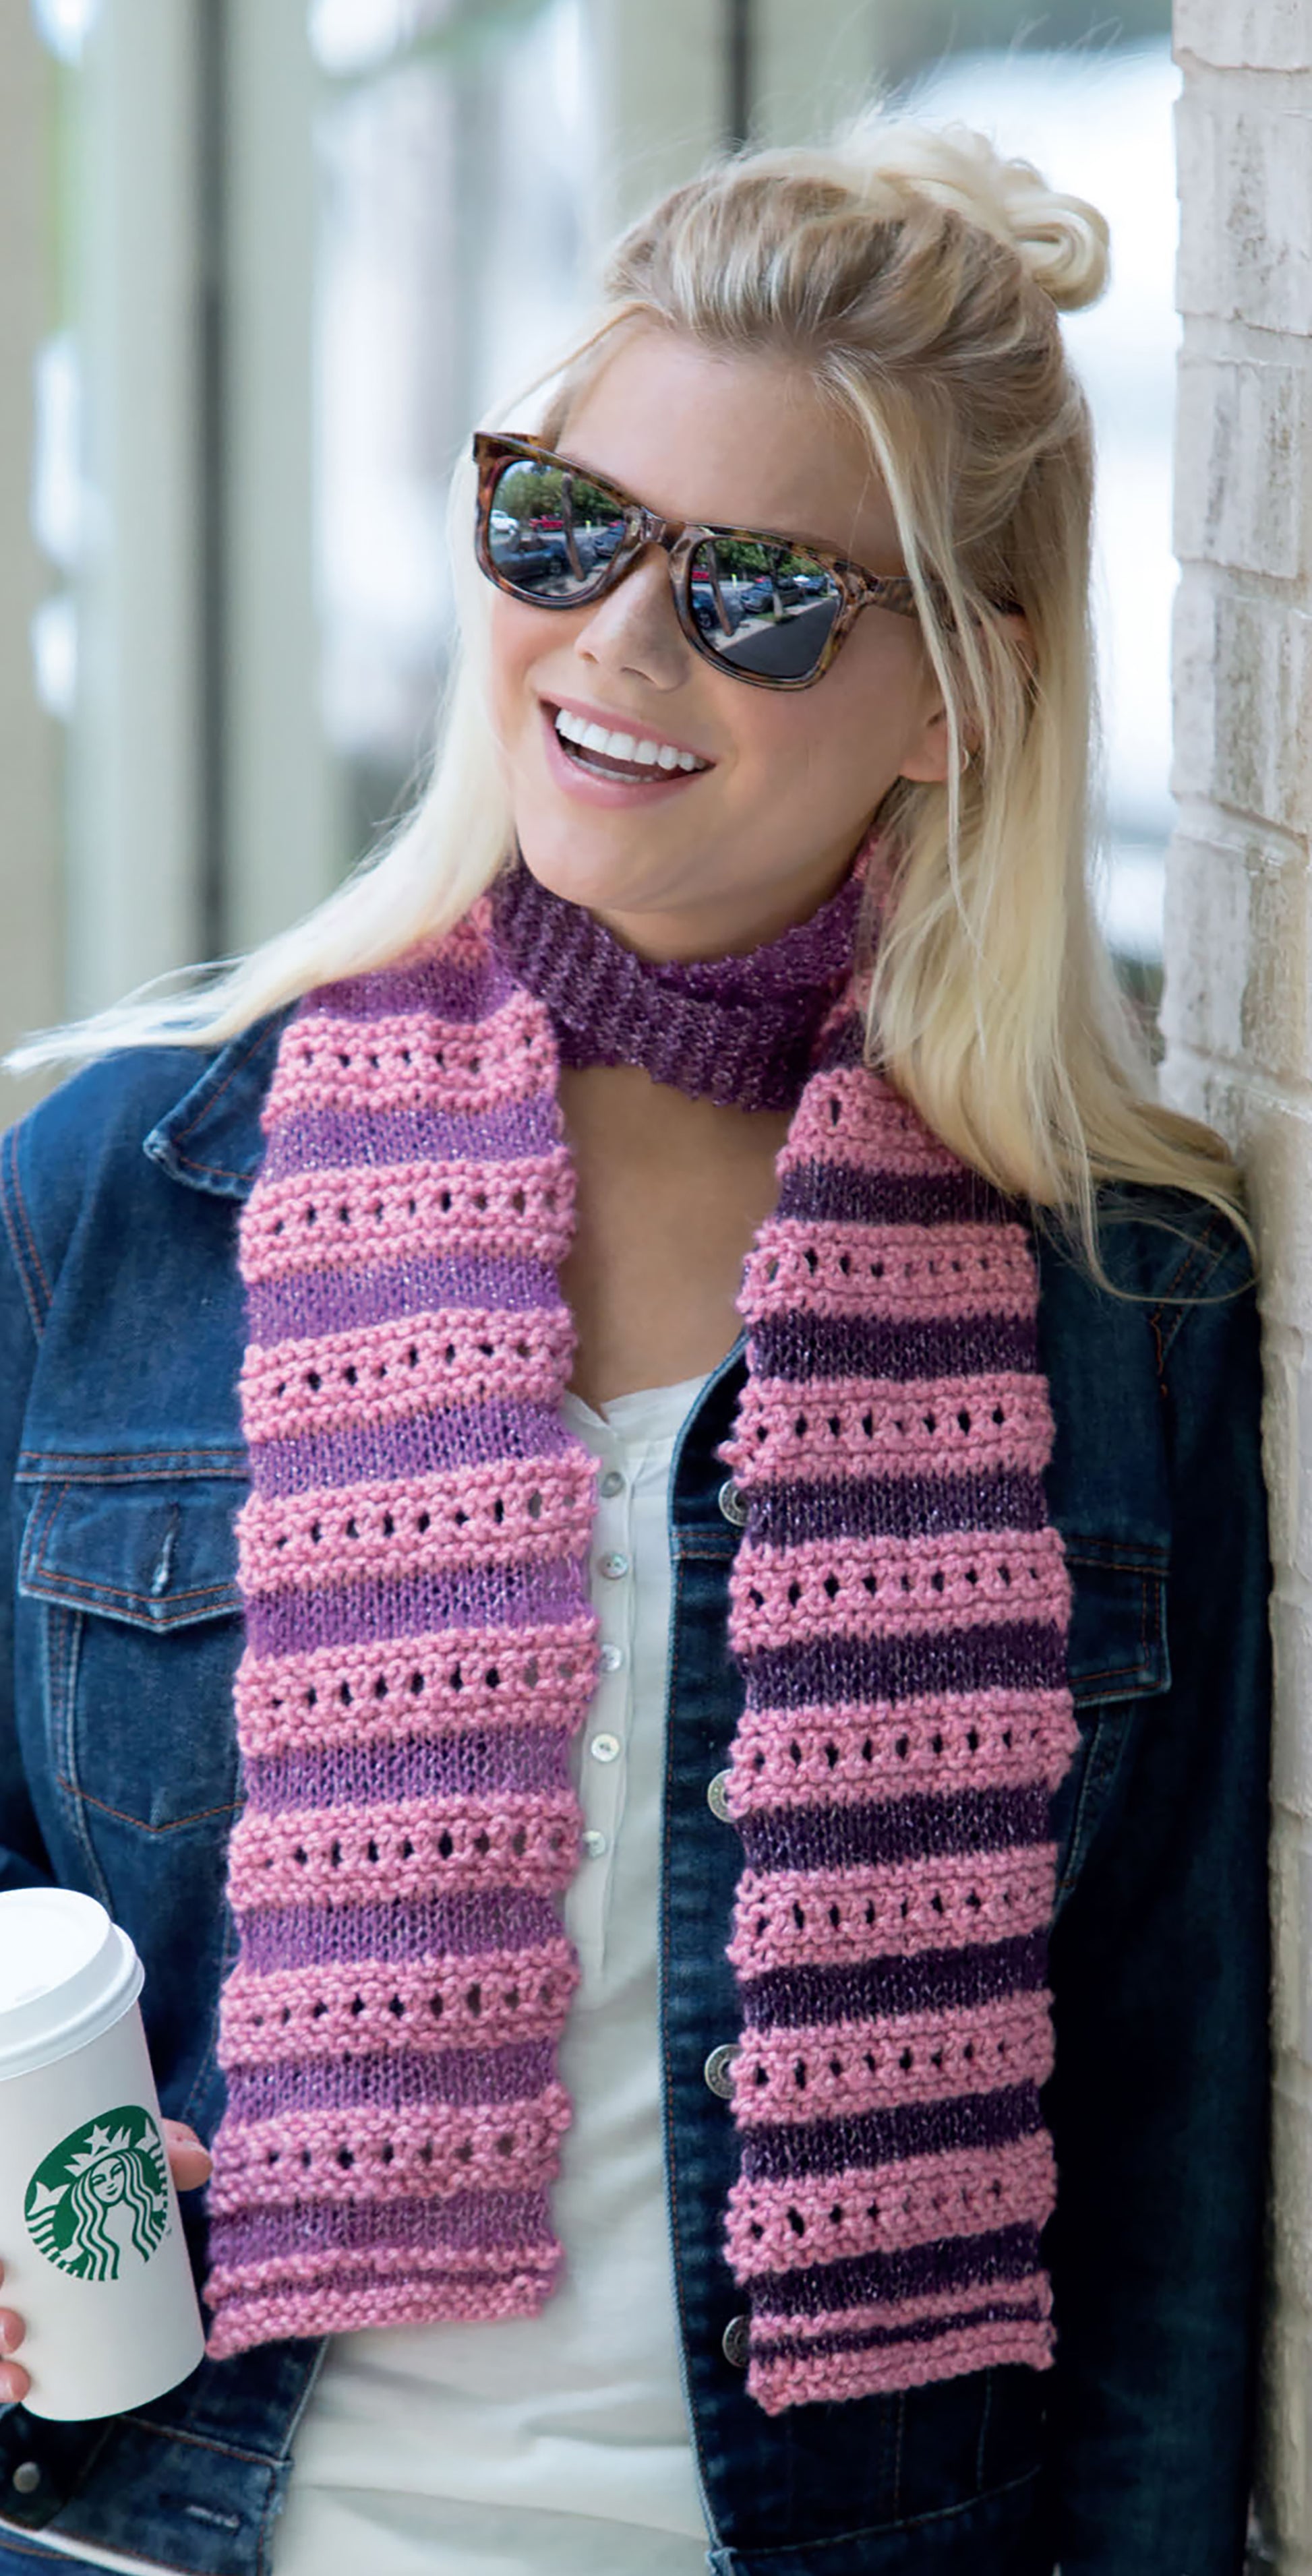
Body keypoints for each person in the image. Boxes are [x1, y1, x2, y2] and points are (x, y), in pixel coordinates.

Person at [0, 116, 1270, 2576]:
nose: (618, 643)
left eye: (765, 594)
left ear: (953, 695)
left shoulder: (1119, 1312)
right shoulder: (123, 1202)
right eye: (564, 526)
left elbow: (1161, 2165)